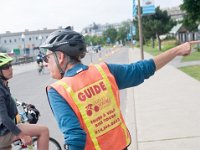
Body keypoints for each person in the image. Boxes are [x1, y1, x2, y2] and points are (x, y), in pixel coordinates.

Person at [40, 27, 198, 150]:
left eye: (47, 57)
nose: (46, 63)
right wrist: (177, 50)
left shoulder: (58, 90)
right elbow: (142, 69)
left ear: (60, 57)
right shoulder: (104, 71)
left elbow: (75, 138)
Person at [0, 53, 49, 150]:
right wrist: (22, 135)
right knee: (44, 131)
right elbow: (4, 118)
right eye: (6, 66)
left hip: (4, 131)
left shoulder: (3, 86)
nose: (11, 68)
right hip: (3, 132)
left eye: (10, 65)